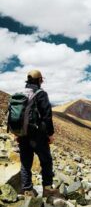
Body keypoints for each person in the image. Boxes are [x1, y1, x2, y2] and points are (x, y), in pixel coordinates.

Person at [17, 69, 60, 198]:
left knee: (26, 163)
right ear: (39, 80)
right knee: (46, 161)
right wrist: (50, 134)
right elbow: (47, 116)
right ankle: (47, 189)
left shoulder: (20, 94)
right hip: (37, 135)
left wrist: (18, 132)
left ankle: (27, 191)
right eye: (42, 79)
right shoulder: (41, 94)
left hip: (22, 134)